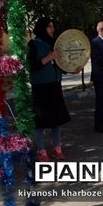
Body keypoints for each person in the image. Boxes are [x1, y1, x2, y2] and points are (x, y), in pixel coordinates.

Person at [28, 18, 72, 162]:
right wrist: (49, 57)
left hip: (55, 85)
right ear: (42, 28)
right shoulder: (33, 44)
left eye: (53, 26)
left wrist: (73, 69)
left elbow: (60, 64)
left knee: (56, 118)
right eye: (49, 26)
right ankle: (41, 150)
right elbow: (32, 66)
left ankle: (57, 148)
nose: (52, 29)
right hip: (41, 87)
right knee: (41, 120)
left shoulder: (54, 43)